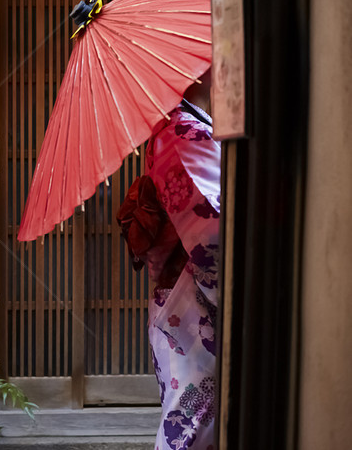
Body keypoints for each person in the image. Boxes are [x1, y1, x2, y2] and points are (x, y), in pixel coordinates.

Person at [118, 75, 220, 450]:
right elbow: (213, 235)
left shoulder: (181, 126)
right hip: (194, 303)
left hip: (184, 299)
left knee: (195, 421)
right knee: (192, 428)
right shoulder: (182, 134)